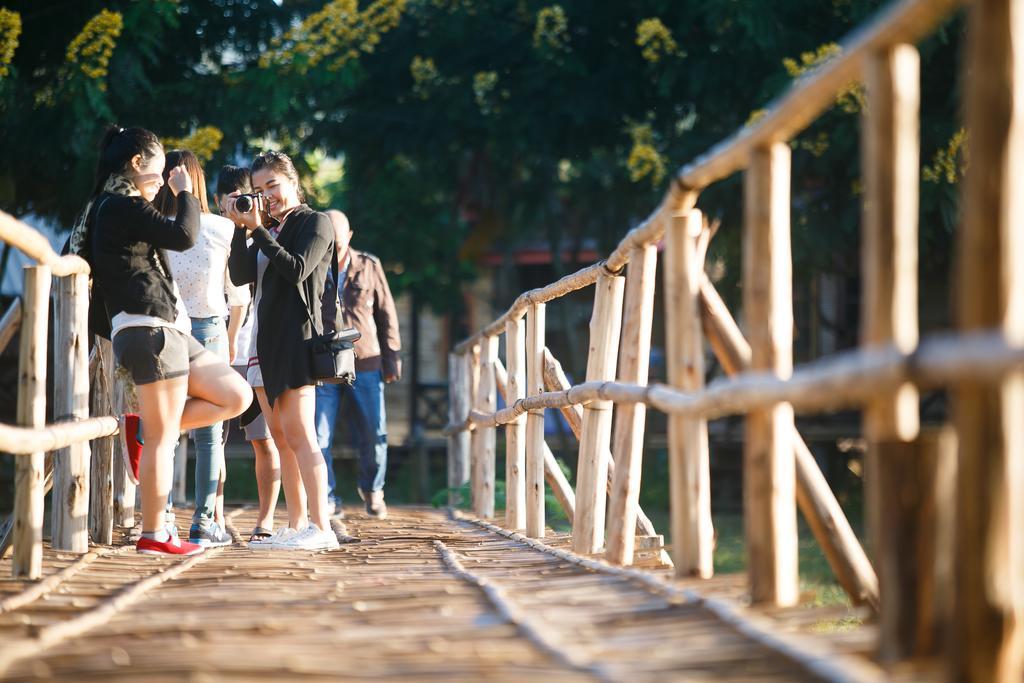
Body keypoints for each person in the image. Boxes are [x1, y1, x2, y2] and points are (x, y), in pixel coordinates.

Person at [70, 125, 251, 555]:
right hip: (148, 327)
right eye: (156, 170)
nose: (160, 179)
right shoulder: (120, 205)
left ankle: (143, 431)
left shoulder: (107, 207)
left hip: (170, 327)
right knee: (164, 440)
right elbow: (185, 235)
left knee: (235, 395)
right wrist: (186, 191)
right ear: (137, 164)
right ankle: (155, 534)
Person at [226, 150, 338, 551]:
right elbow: (240, 275)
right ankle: (295, 525)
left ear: (292, 181)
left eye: (272, 185)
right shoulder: (266, 226)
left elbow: (296, 269)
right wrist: (242, 228)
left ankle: (322, 527)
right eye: (258, 189)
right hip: (263, 341)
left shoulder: (315, 222)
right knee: (279, 435)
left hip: (298, 338)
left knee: (301, 434)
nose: (266, 195)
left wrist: (259, 231)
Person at [154, 150, 250, 547]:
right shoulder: (221, 229)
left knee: (168, 426)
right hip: (210, 328)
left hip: (166, 328)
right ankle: (204, 521)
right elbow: (238, 295)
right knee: (211, 432)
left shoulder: (155, 227)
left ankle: (162, 519)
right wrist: (230, 339)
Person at [213, 165, 285, 542]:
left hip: (252, 352)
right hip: (217, 356)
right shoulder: (208, 232)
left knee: (265, 440)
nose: (239, 206)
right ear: (216, 202)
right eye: (232, 201)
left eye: (248, 198)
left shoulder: (267, 234)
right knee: (214, 440)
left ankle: (266, 520)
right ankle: (218, 517)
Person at [316, 210, 401, 519]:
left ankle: (372, 488)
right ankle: (327, 496)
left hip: (365, 360)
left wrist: (392, 358)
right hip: (325, 363)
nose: (334, 247)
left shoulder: (369, 266)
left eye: (339, 241)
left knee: (373, 432)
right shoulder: (313, 263)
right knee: (318, 434)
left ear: (349, 237)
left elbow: (387, 314)